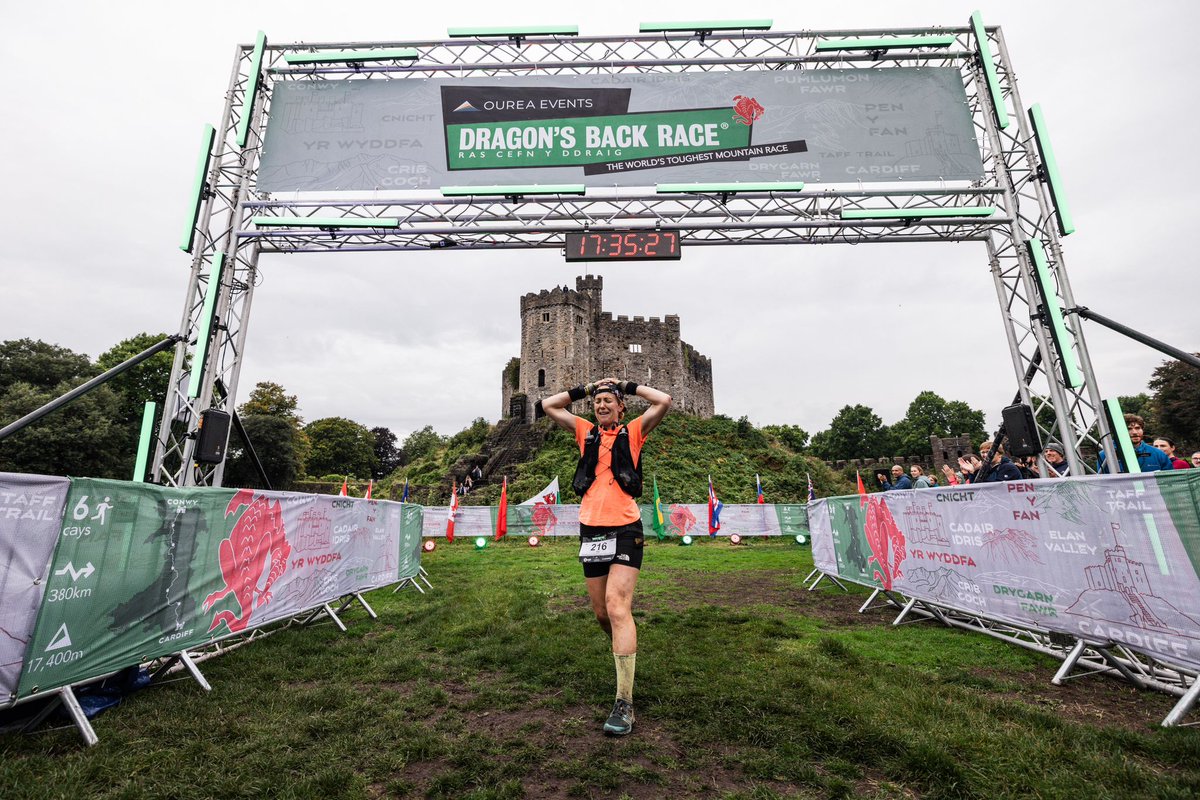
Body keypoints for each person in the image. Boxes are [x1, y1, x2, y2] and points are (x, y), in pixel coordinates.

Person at [540, 377, 671, 736]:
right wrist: (584, 388)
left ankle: (624, 702)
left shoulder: (633, 431)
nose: (601, 405)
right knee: (602, 613)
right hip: (591, 529)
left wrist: (627, 386)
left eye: (608, 401)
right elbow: (549, 406)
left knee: (617, 606)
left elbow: (664, 399)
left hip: (626, 528)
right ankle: (623, 649)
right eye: (597, 401)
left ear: (620, 407)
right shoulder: (585, 431)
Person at [1096, 414, 1173, 473]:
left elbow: (1170, 481)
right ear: (1117, 431)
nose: (1135, 432)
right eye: (1129, 429)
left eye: (1138, 428)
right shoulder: (1106, 455)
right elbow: (1103, 484)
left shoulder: (1158, 453)